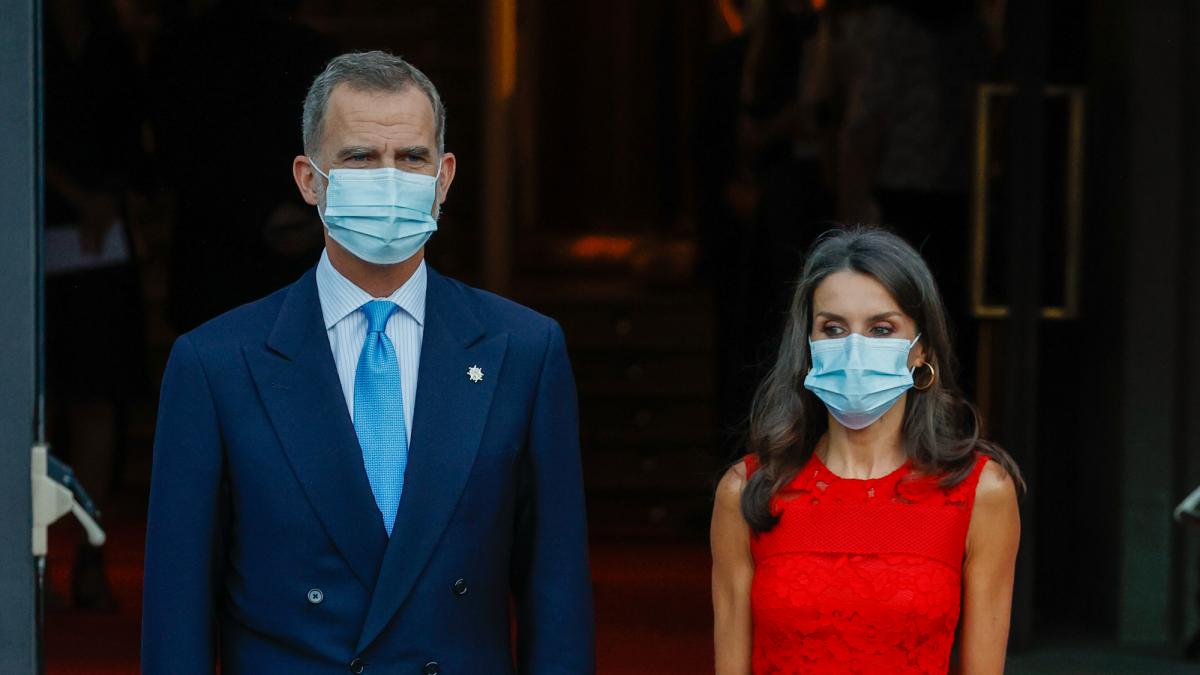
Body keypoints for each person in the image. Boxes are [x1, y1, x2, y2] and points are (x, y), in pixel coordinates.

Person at [142, 51, 595, 673]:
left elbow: (557, 593)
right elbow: (177, 612)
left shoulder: (524, 350)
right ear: (308, 179)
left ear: (445, 176)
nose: (389, 177)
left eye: (411, 158)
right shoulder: (216, 362)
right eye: (359, 157)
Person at [711, 227, 1022, 674]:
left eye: (881, 328)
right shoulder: (747, 490)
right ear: (809, 345)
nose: (854, 348)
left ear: (921, 349)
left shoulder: (980, 491)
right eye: (833, 328)